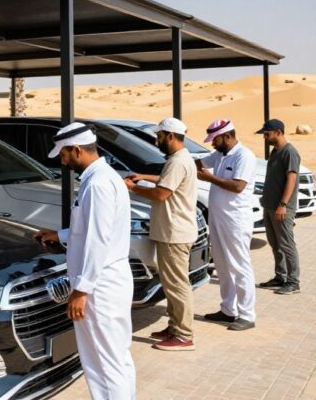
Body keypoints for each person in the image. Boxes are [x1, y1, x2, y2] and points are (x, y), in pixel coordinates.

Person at [33, 123, 136, 399]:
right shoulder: (101, 178)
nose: (63, 161)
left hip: (100, 287)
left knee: (105, 364)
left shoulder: (99, 184)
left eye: (64, 155)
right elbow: (91, 228)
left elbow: (98, 240)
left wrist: (81, 290)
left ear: (77, 150)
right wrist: (61, 235)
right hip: (105, 282)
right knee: (113, 360)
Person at [124, 117, 198, 351]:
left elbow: (161, 194)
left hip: (174, 233)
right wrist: (145, 177)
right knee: (172, 283)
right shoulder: (180, 159)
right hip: (172, 232)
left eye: (159, 136)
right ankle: (175, 326)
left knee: (177, 285)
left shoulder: (177, 162)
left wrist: (133, 188)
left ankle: (184, 335)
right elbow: (169, 182)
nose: (157, 140)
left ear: (170, 136)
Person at [195, 118, 257, 330]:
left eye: (216, 139)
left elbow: (238, 186)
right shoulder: (219, 154)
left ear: (228, 136)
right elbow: (200, 164)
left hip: (236, 221)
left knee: (240, 266)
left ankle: (247, 315)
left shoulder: (244, 156)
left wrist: (209, 178)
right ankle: (228, 310)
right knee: (222, 266)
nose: (213, 144)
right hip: (218, 220)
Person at [256, 118, 302, 295]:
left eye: (267, 134)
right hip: (269, 207)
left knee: (287, 244)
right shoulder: (275, 152)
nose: (265, 138)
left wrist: (283, 205)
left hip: (282, 208)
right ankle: (280, 277)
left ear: (278, 132)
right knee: (275, 244)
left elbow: (291, 179)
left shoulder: (290, 152)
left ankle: (293, 281)